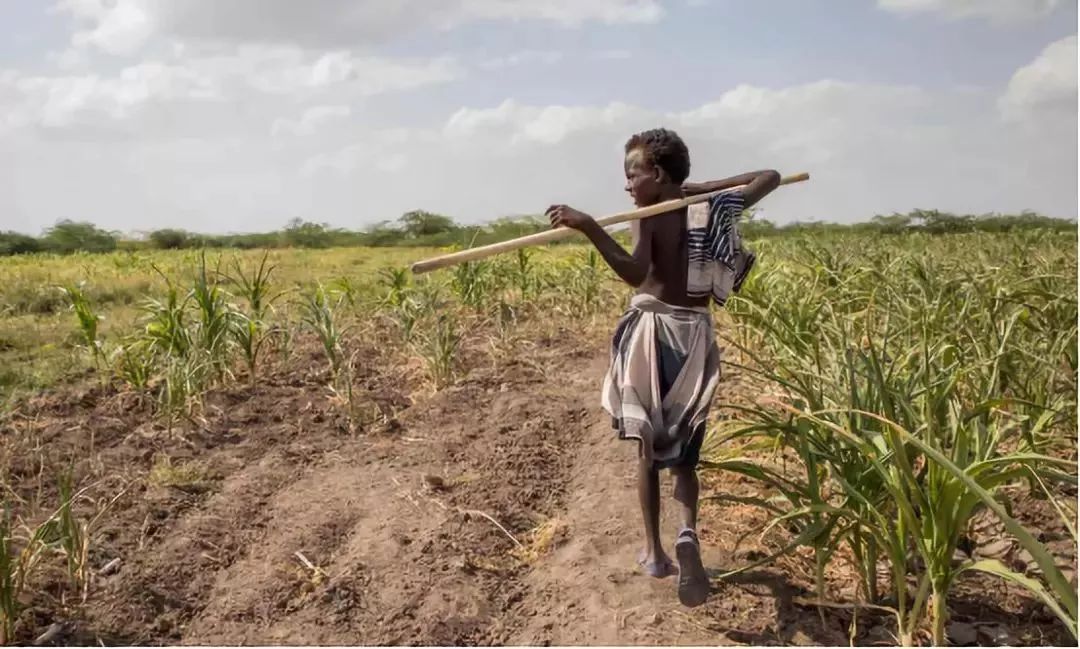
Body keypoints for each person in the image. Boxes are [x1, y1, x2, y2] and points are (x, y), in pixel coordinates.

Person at [545, 128, 780, 607]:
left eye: (633, 174)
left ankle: (654, 552)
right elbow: (769, 176)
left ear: (657, 173)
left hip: (653, 334)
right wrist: (692, 189)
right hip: (694, 335)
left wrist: (590, 226)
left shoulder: (647, 216)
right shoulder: (711, 207)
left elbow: (635, 274)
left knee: (647, 448)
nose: (628, 185)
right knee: (687, 450)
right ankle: (687, 531)